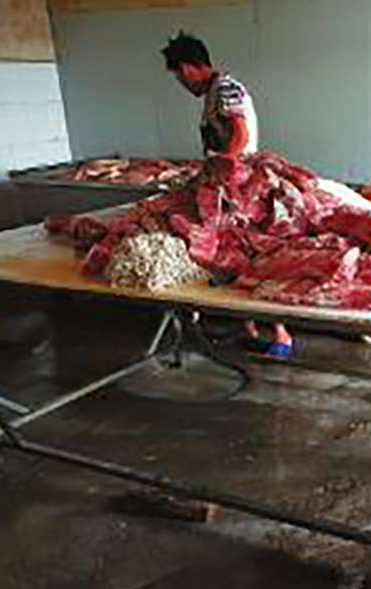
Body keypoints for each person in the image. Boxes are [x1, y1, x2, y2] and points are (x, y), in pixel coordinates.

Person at [161, 31, 292, 358]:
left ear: (189, 68)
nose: (182, 84)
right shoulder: (214, 93)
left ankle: (280, 334)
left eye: (180, 76)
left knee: (248, 259)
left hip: (239, 187)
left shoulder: (225, 88)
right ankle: (247, 328)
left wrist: (223, 171)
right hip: (229, 184)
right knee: (230, 259)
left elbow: (240, 133)